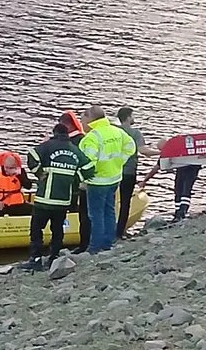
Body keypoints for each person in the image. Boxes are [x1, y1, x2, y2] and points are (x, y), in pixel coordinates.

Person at [20, 124, 95, 271]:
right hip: (63, 200)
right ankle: (54, 257)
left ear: (54, 133)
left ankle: (36, 259)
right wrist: (75, 179)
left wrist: (39, 173)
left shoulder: (48, 146)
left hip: (44, 199)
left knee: (36, 229)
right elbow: (90, 167)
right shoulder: (74, 149)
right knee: (57, 229)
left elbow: (31, 155)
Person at [79, 106, 136, 254]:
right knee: (109, 211)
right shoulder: (116, 131)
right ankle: (108, 243)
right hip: (114, 178)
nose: (81, 123)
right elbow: (131, 147)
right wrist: (119, 162)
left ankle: (95, 247)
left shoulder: (92, 137)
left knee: (96, 215)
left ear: (90, 119)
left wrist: (82, 178)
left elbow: (88, 162)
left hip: (97, 181)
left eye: (83, 119)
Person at [115, 107, 159, 239]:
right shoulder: (135, 133)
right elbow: (144, 151)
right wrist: (162, 152)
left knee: (109, 202)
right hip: (128, 171)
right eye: (132, 116)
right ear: (128, 117)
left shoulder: (114, 131)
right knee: (125, 202)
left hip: (111, 171)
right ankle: (119, 232)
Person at [139, 140, 202, 223]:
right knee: (178, 189)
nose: (162, 152)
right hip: (182, 167)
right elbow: (157, 167)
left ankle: (182, 212)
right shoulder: (172, 149)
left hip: (192, 167)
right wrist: (145, 180)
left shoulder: (170, 151)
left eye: (162, 150)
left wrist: (144, 181)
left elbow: (156, 168)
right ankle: (178, 212)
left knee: (185, 189)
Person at [57, 111, 92, 254]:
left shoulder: (76, 140)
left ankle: (84, 243)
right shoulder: (80, 138)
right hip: (74, 180)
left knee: (83, 213)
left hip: (74, 182)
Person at [0, 151, 33, 217]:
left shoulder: (20, 172)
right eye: (6, 167)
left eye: (11, 168)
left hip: (18, 204)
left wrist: (19, 176)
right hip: (3, 205)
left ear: (15, 166)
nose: (8, 170)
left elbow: (28, 186)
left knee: (34, 210)